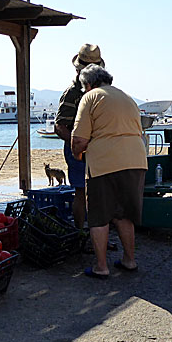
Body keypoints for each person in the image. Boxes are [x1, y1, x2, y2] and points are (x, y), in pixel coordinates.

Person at [71, 65, 148, 279]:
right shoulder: (127, 97)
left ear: (87, 84)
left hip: (105, 163)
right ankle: (129, 260)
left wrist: (77, 155)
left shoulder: (91, 97)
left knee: (99, 216)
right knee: (124, 215)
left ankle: (101, 266)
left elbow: (79, 139)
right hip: (136, 160)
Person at [55, 44, 105, 229]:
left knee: (98, 193)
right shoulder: (73, 93)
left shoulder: (100, 92)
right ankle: (81, 233)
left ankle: (96, 234)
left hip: (98, 149)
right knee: (81, 192)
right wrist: (79, 144)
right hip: (79, 149)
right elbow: (59, 126)